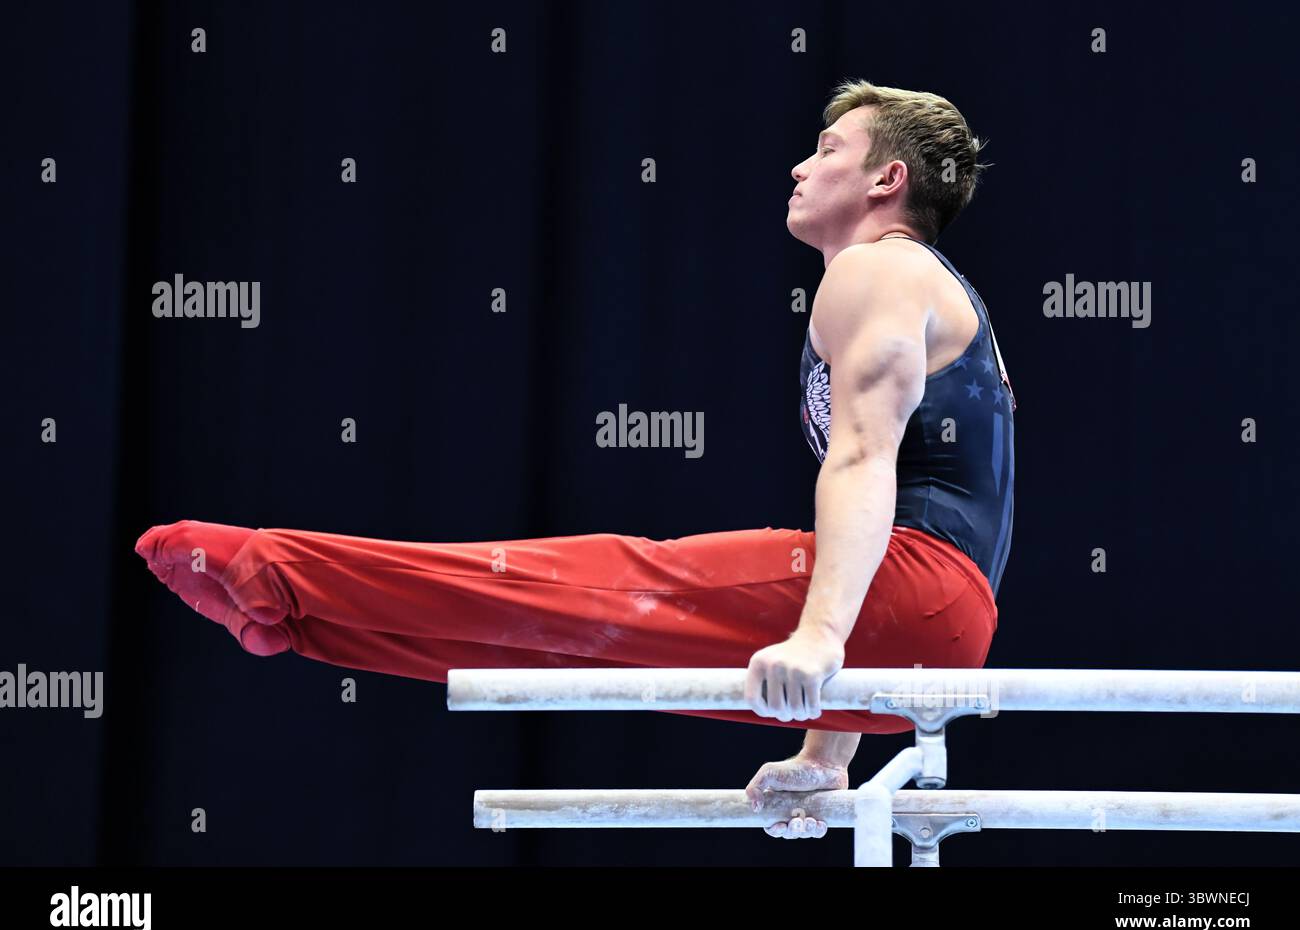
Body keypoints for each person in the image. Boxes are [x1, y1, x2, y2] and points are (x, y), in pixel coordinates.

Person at [135, 78, 1014, 844]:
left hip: (917, 595)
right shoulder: (910, 289)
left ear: (886, 180)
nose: (799, 166)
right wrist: (826, 750)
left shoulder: (877, 273)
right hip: (927, 631)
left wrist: (820, 640)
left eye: (827, 150)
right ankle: (297, 617)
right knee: (561, 643)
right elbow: (898, 496)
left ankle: (274, 567)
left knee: (597, 584)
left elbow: (862, 461)